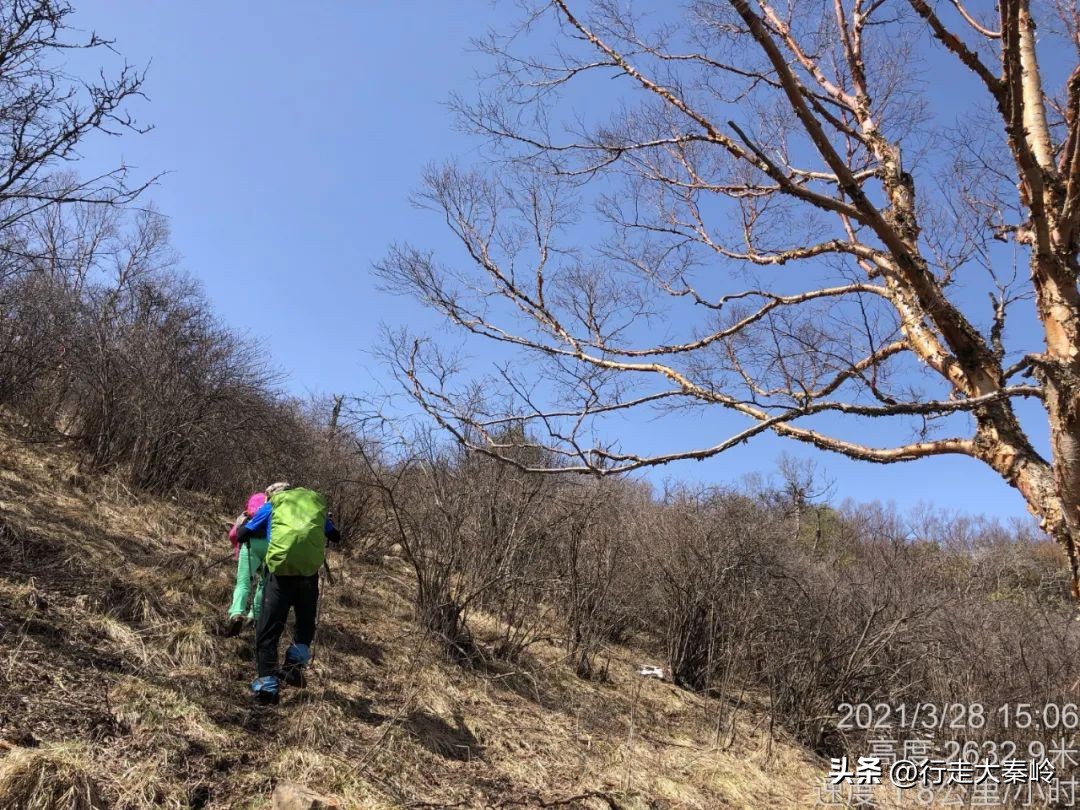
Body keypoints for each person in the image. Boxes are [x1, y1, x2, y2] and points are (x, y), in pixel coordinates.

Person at [233, 482, 341, 705]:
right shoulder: (315, 509)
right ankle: (293, 665)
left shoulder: (273, 505)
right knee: (305, 624)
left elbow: (244, 532)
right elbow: (335, 535)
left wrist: (246, 529)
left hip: (280, 577)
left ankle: (268, 690)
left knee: (268, 630)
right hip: (308, 577)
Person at [224, 491, 269, 637]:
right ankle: (254, 616)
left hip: (250, 546)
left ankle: (237, 613)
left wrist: (237, 547)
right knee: (263, 583)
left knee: (243, 582)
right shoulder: (274, 512)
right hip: (271, 547)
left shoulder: (247, 515)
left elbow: (233, 535)